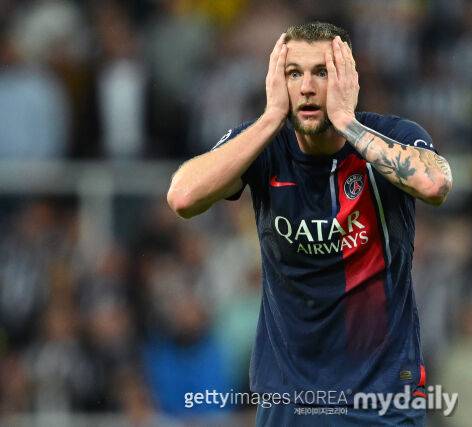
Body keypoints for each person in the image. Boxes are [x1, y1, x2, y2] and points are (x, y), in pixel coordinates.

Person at [167, 22, 452, 426]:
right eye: (293, 73)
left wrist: (347, 121)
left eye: (322, 72)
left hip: (381, 400)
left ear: (348, 78)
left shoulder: (391, 135)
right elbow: (182, 197)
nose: (306, 87)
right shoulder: (264, 147)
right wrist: (270, 118)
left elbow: (435, 184)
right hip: (289, 402)